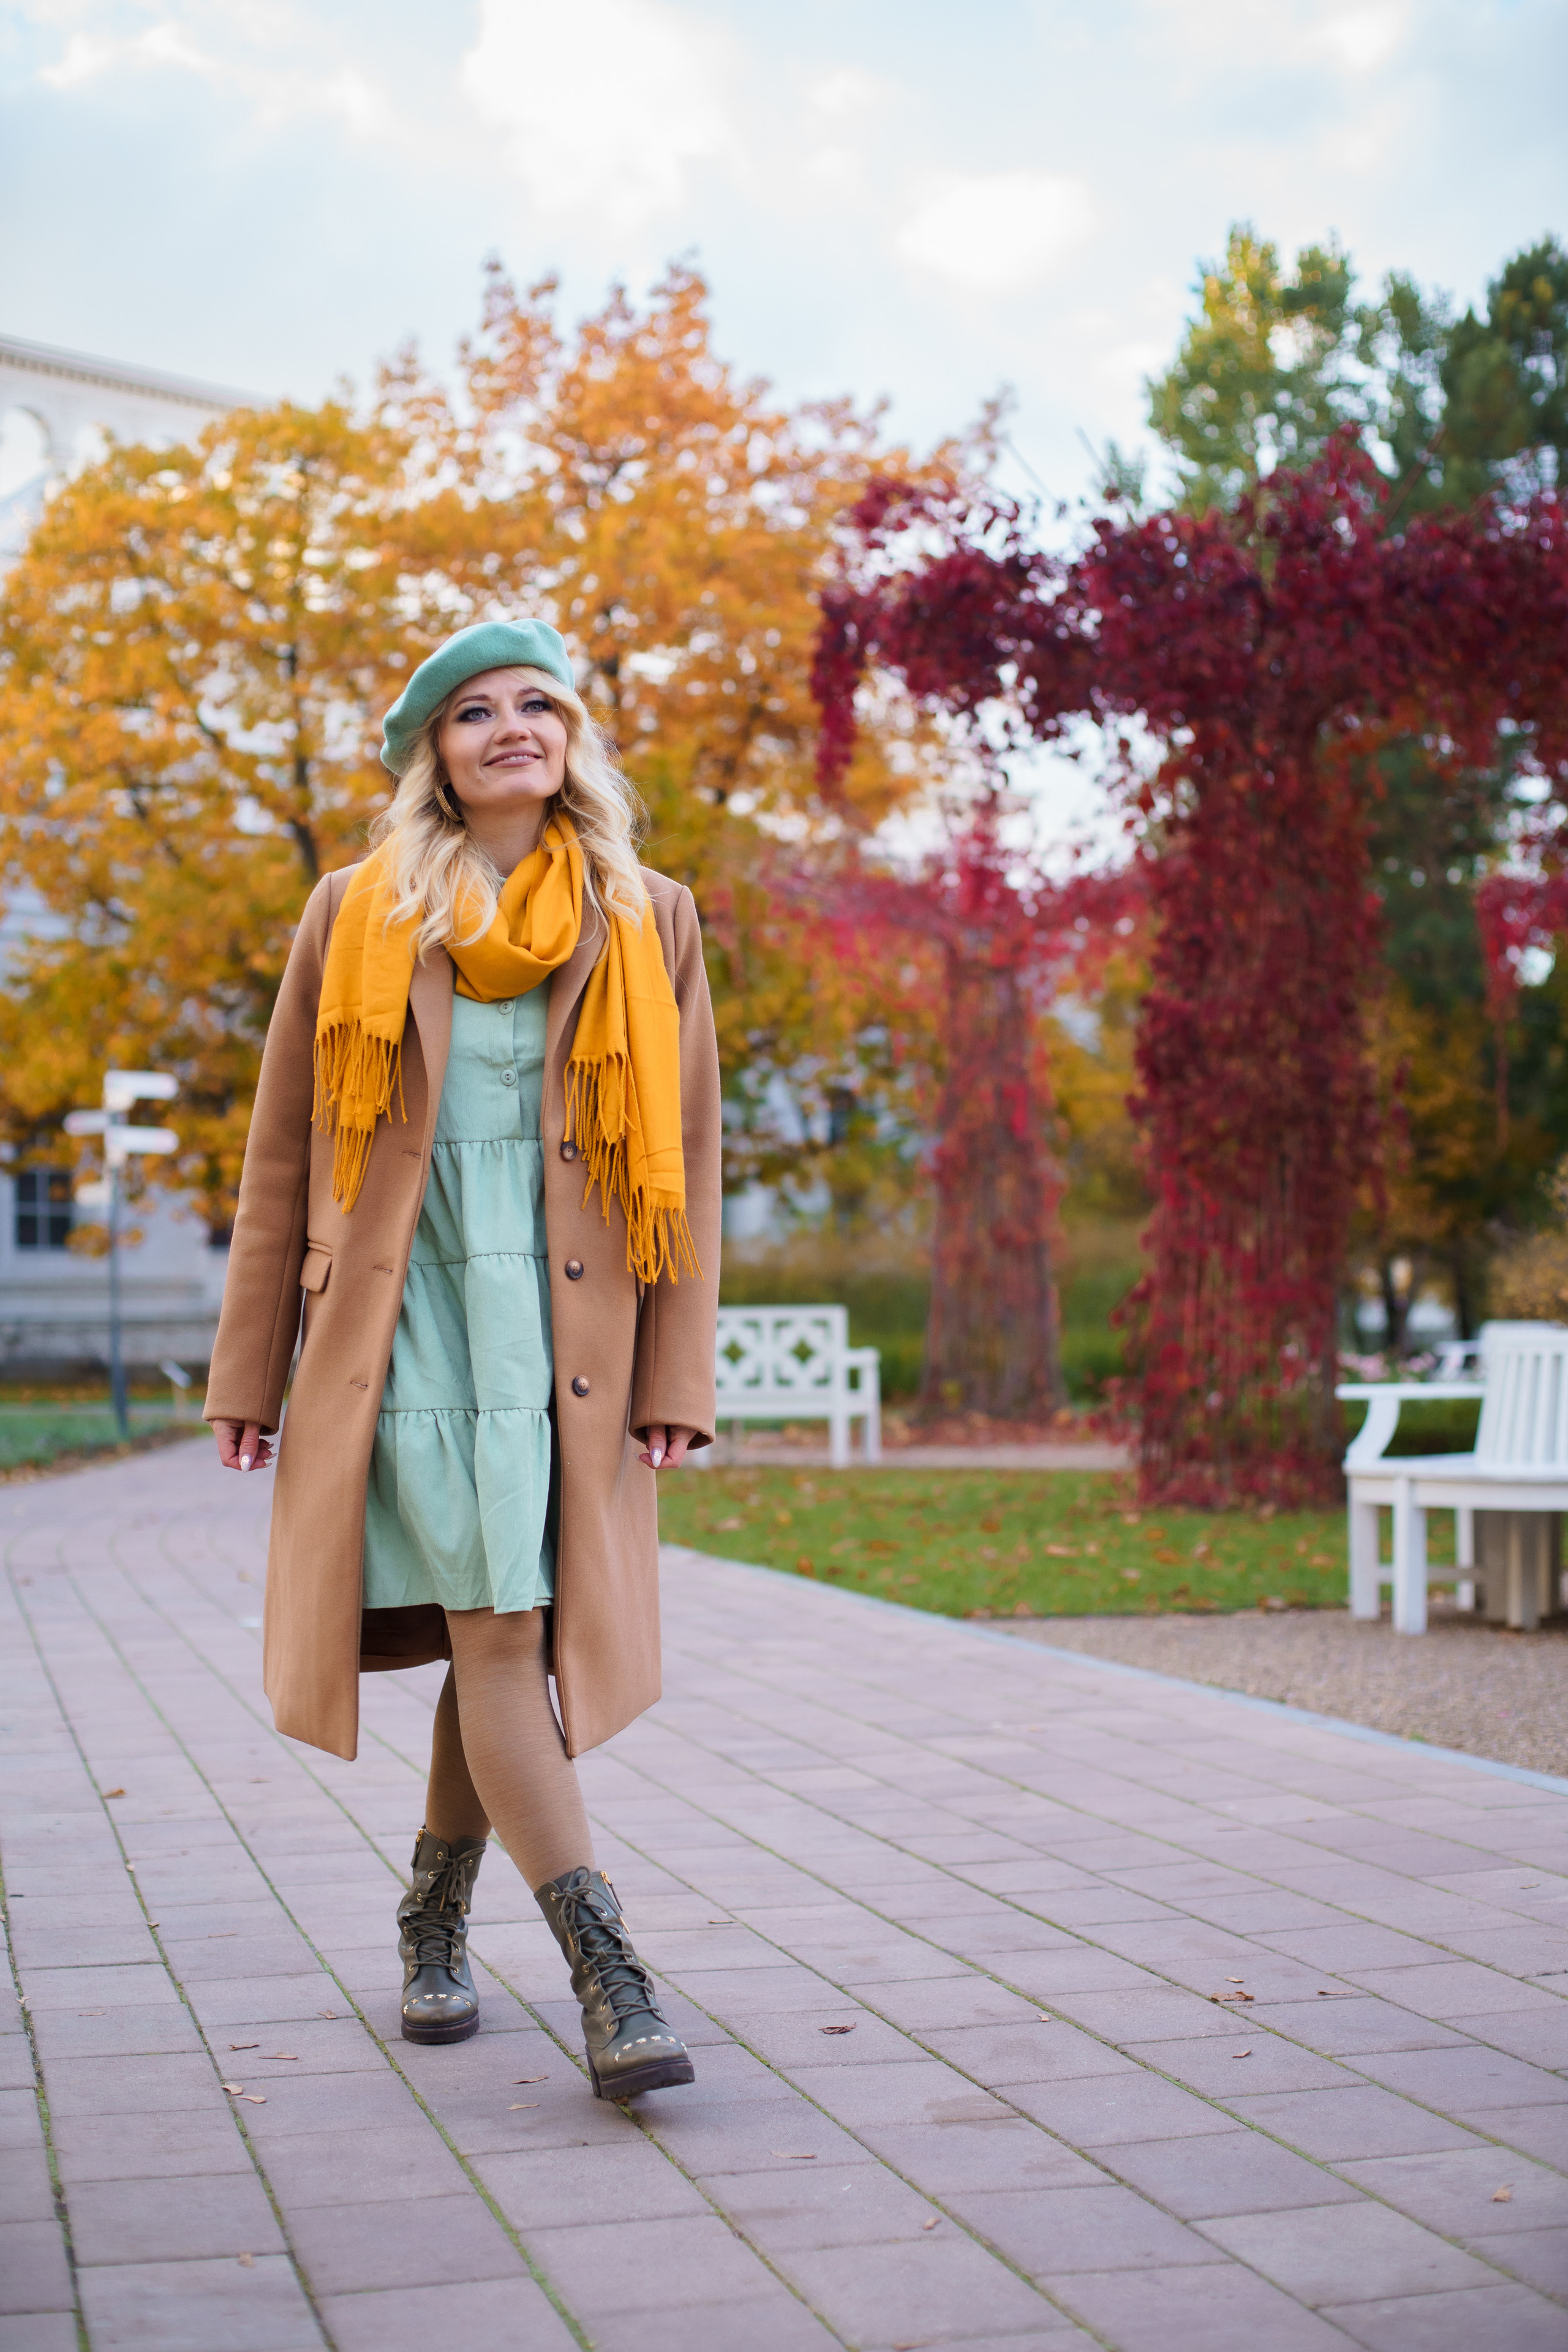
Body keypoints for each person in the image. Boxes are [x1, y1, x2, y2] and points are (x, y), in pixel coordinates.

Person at [205, 619, 720, 2102]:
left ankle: (433, 1920)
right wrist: (250, 1369)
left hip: (572, 1334)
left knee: (502, 1631)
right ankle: (605, 1974)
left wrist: (676, 1379)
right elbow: (281, 1154)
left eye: (538, 702)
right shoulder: (353, 911)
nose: (512, 725)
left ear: (571, 737)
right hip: (405, 1321)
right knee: (500, 1634)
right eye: (474, 709)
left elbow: (683, 1154)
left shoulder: (650, 918)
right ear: (433, 750)